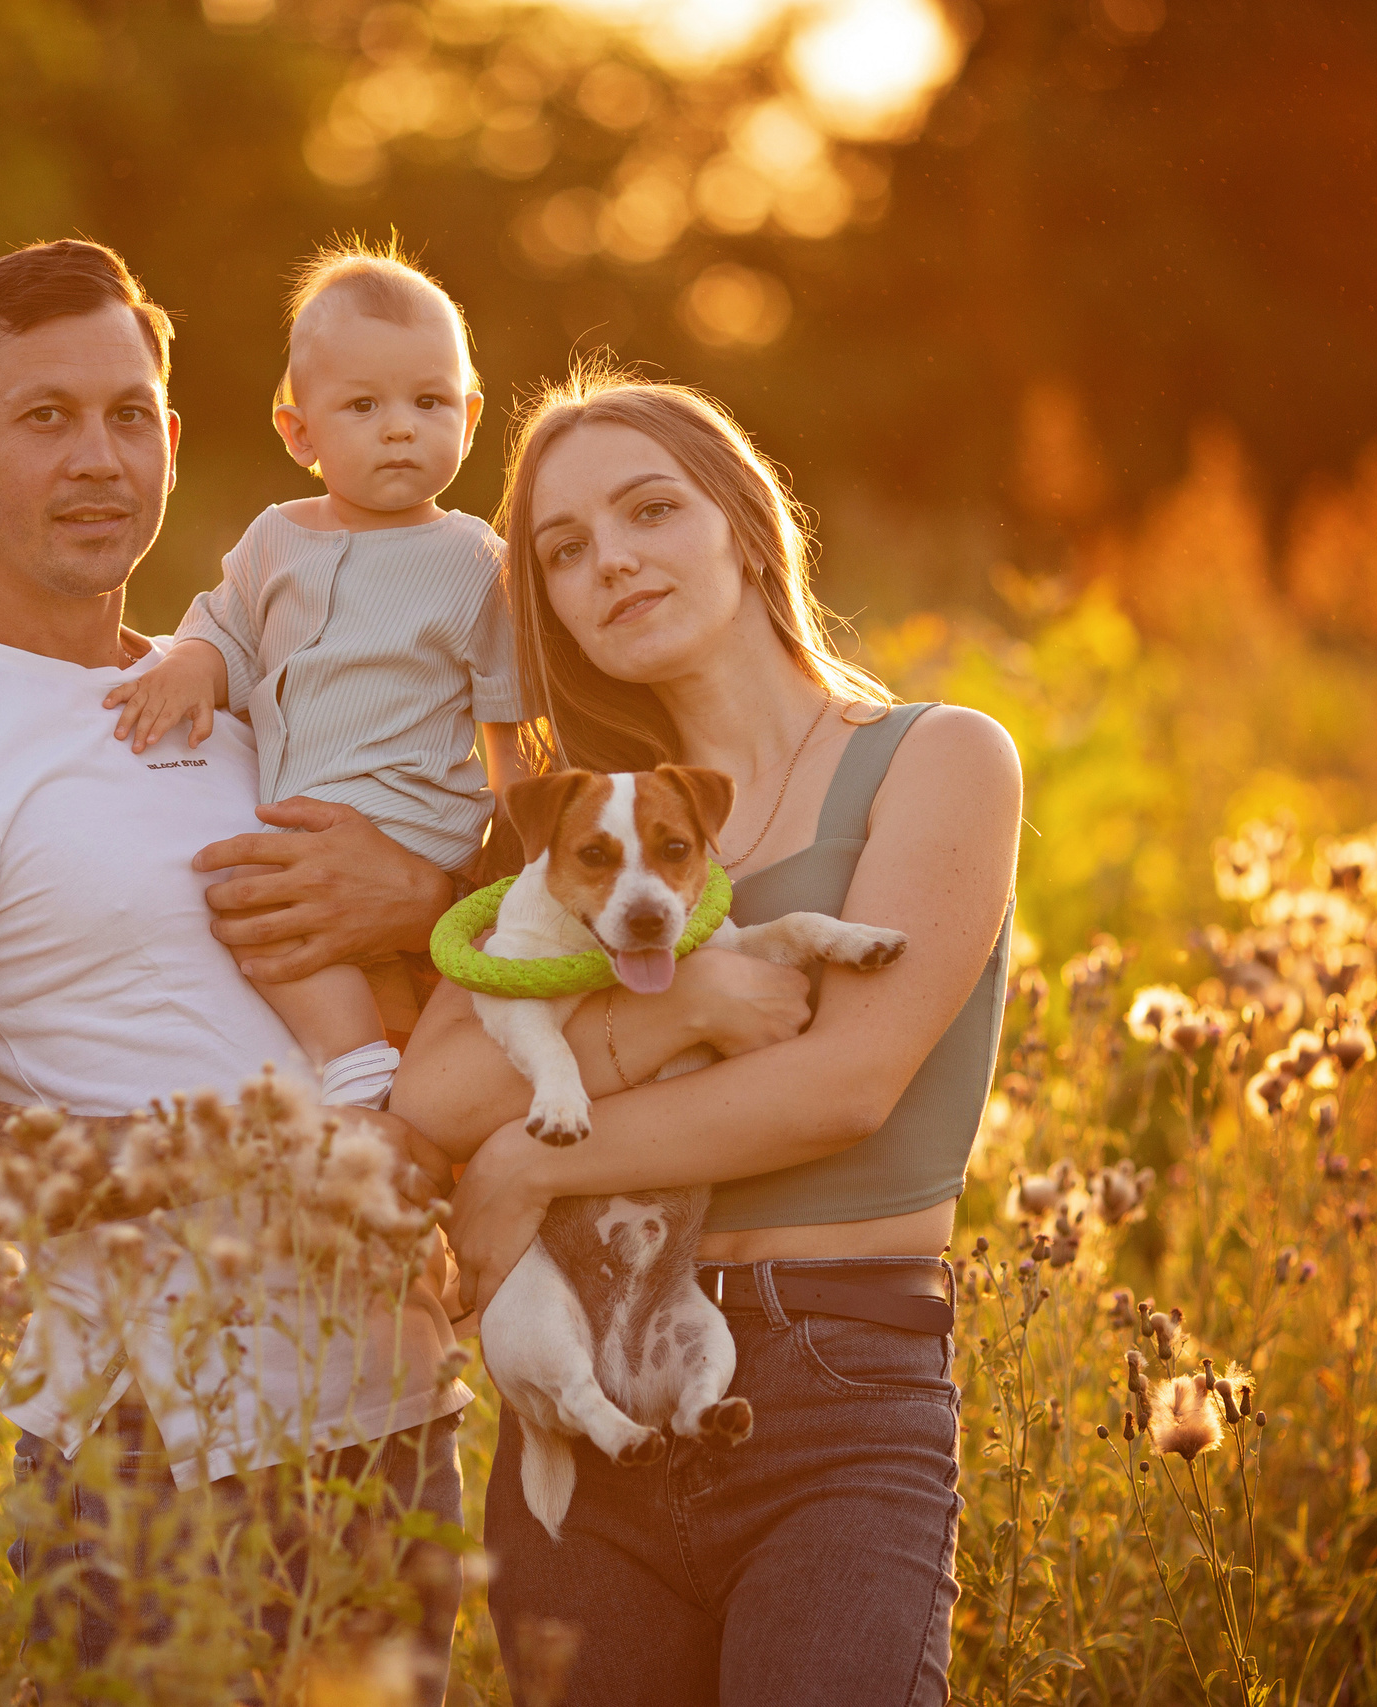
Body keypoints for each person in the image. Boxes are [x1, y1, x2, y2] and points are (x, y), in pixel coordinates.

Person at [0, 238, 473, 1695]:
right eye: (41, 417)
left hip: (395, 1416)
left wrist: (423, 885)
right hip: (163, 1457)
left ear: (172, 437)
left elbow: (418, 924)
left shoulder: (243, 700)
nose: (96, 458)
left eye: (126, 415)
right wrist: (250, 1158)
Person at [389, 368, 1023, 1707]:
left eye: (649, 509)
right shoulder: (576, 833)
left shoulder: (935, 760)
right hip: (579, 1398)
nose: (609, 558)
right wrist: (679, 1009)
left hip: (834, 1391)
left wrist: (539, 1162)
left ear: (742, 520)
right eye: (563, 550)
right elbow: (438, 1090)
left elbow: (845, 1082)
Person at [104, 239, 527, 1111]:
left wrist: (514, 834)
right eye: (364, 405)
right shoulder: (274, 539)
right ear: (301, 432)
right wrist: (191, 661)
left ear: (471, 418)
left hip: (413, 819)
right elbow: (225, 631)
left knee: (268, 906)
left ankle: (356, 1061)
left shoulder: (474, 562)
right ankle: (378, 1057)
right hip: (304, 816)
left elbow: (508, 718)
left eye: (429, 401)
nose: (402, 425)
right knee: (252, 905)